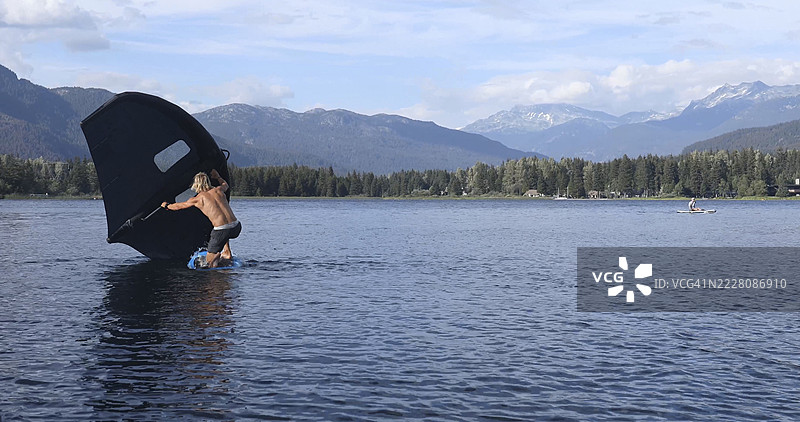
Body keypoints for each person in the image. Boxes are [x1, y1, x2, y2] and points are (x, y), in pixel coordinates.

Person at [161, 169, 241, 268]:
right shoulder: (218, 190)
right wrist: (218, 177)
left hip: (222, 231)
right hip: (236, 227)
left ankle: (216, 272)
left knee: (210, 261)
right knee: (222, 228)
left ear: (196, 185)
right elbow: (226, 185)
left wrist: (166, 205)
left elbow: (179, 206)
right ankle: (227, 252)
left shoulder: (198, 199)